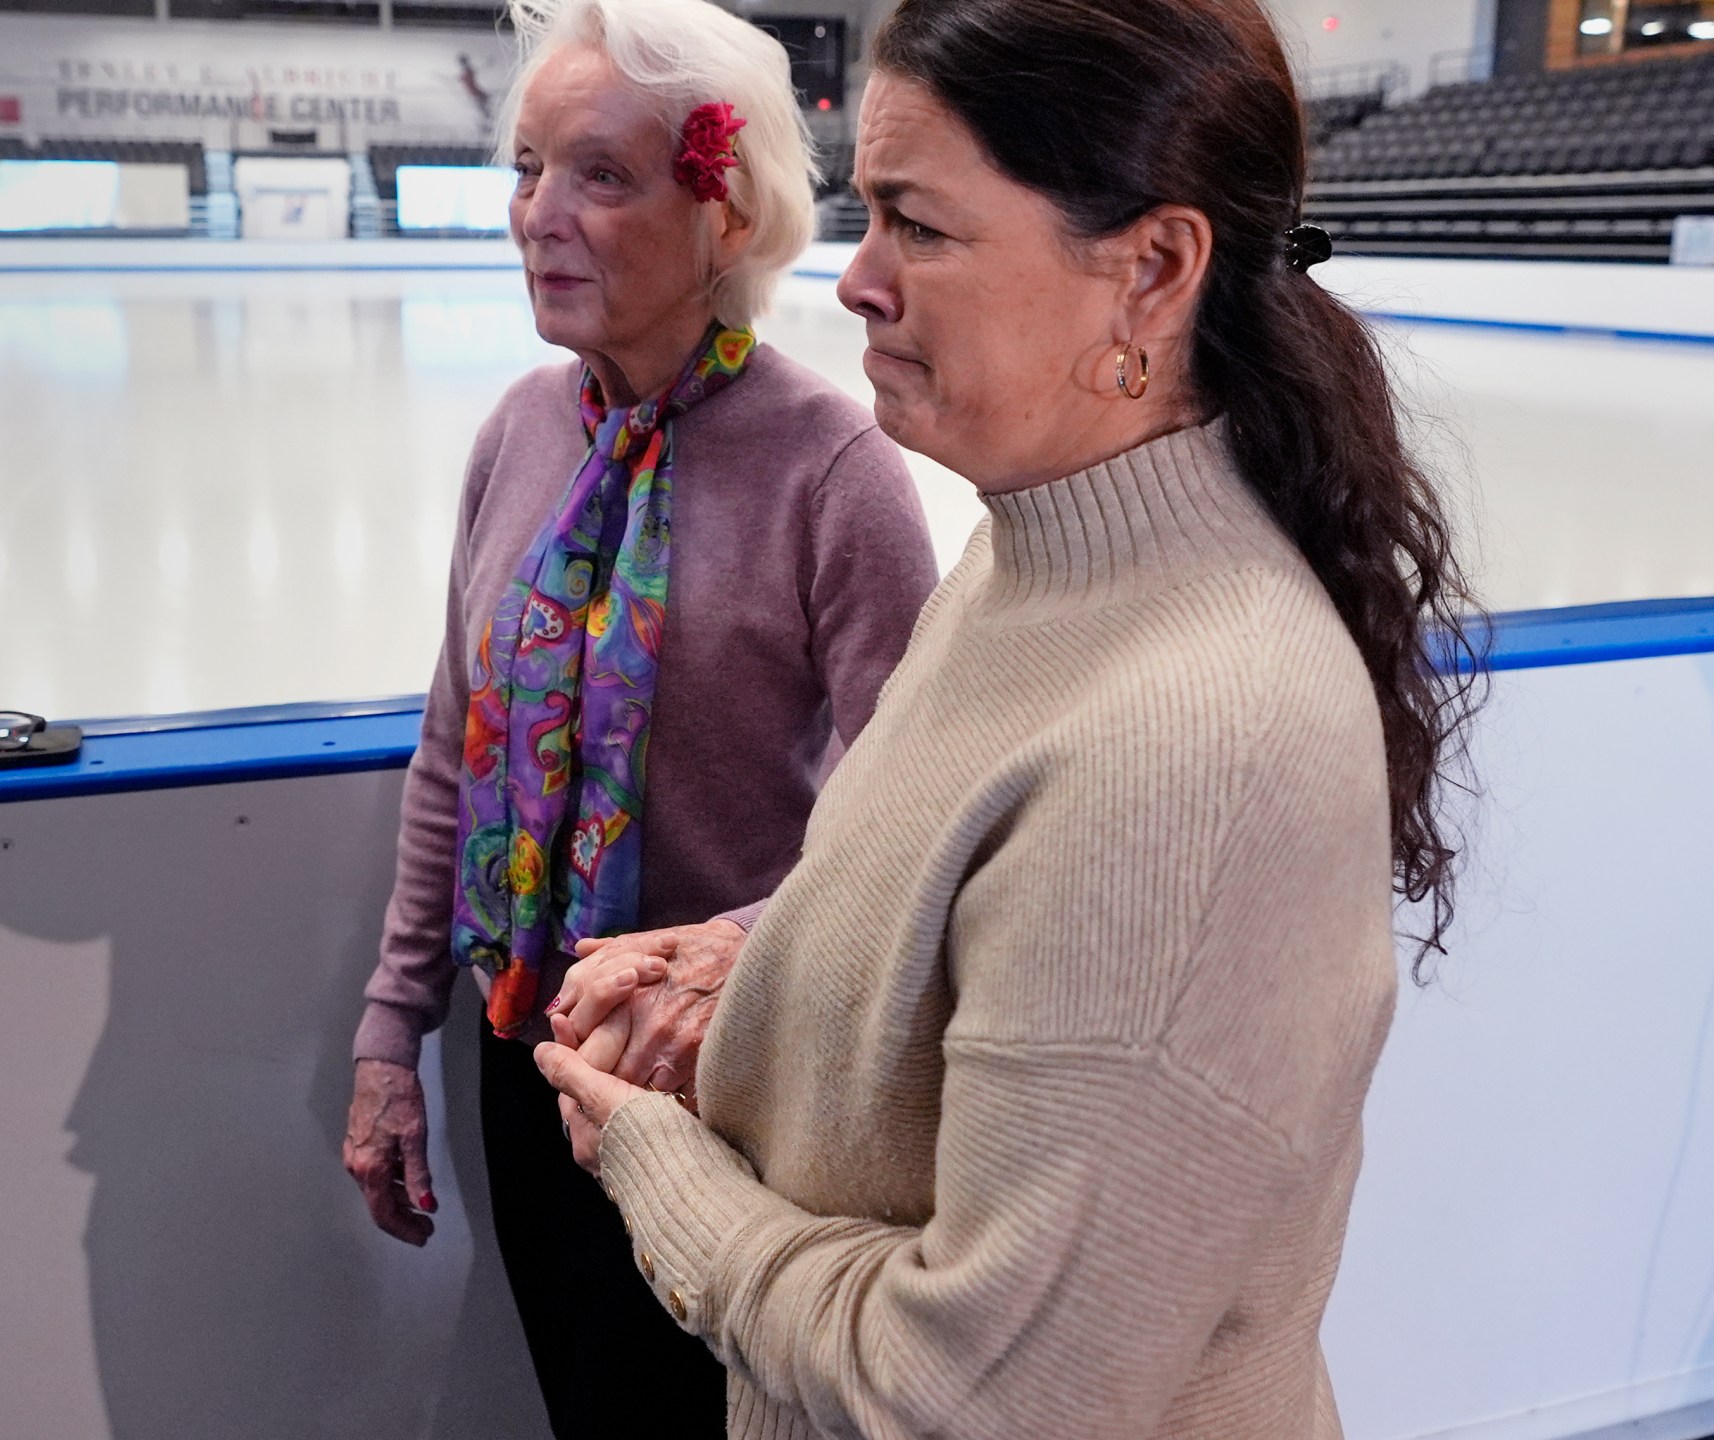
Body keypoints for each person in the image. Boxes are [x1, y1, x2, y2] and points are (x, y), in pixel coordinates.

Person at [537, 0, 1482, 1435]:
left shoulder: (1196, 749)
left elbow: (981, 1397)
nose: (854, 278)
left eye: (917, 224)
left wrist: (658, 1172)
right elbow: (957, 942)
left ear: (1152, 270)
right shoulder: (1025, 557)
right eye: (867, 215)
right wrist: (754, 970)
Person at [338, 0, 940, 1432]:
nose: (540, 214)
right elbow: (454, 753)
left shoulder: (833, 471)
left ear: (722, 212)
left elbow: (909, 812)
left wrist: (712, 963)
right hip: (523, 1042)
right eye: (530, 168)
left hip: (721, 1069)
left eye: (601, 176)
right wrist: (386, 1036)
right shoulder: (518, 434)